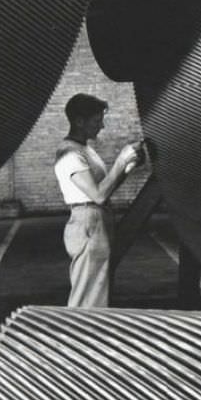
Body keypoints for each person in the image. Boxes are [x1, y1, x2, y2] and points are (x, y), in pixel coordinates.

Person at [54, 93, 143, 307]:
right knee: (87, 297)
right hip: (88, 220)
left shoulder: (85, 150)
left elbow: (105, 189)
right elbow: (99, 195)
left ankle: (84, 335)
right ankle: (76, 337)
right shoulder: (69, 155)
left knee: (97, 291)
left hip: (96, 219)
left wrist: (128, 168)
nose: (101, 126)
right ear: (79, 121)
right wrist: (121, 161)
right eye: (97, 120)